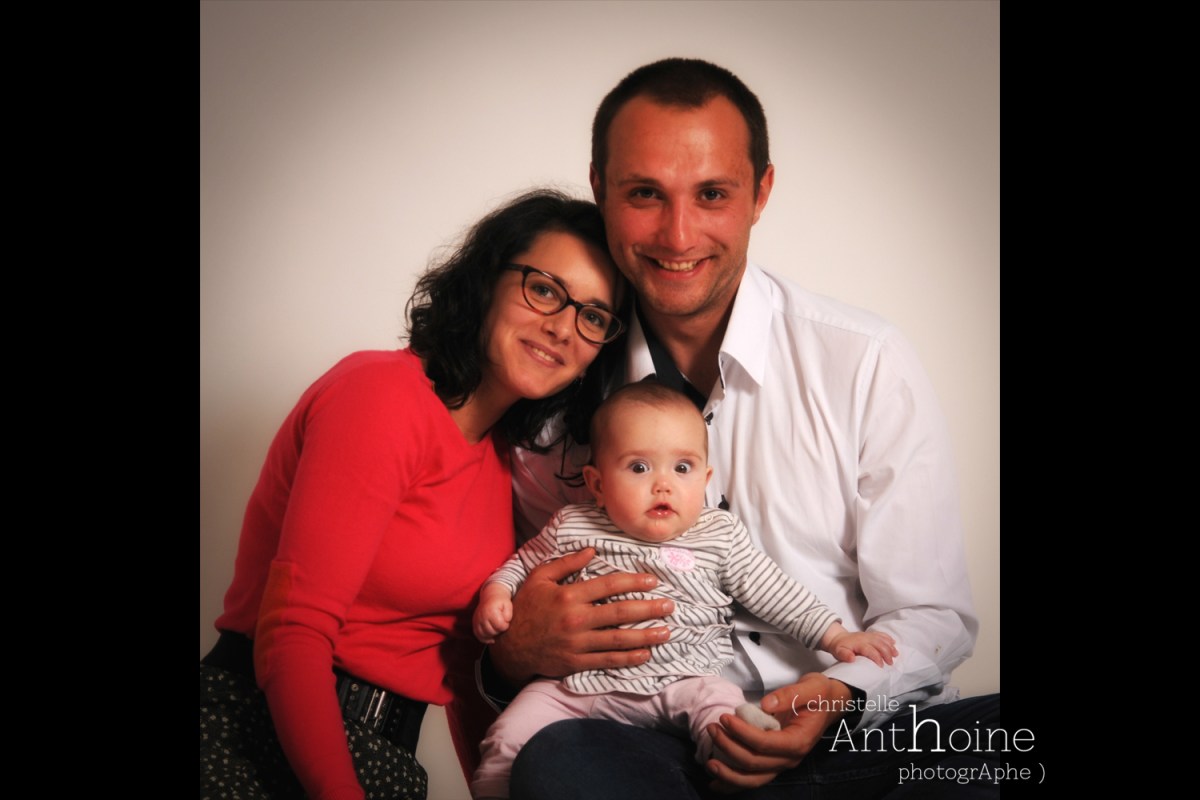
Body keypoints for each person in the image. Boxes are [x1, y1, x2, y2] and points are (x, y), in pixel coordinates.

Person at [485, 59, 999, 798]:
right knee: (557, 761)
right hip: (656, 741)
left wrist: (836, 695)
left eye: (712, 194)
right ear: (599, 189)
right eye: (644, 194)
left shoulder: (865, 360)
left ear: (760, 193)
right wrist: (510, 653)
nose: (678, 234)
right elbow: (535, 602)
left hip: (856, 737)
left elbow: (929, 615)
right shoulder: (556, 394)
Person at [199, 189, 628, 800]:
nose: (562, 327)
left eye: (593, 316)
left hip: (385, 763)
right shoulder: (382, 395)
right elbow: (294, 631)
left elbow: (459, 670)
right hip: (259, 736)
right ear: (486, 281)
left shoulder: (500, 461)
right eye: (543, 289)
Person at [469, 381, 898, 799]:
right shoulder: (573, 525)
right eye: (639, 468)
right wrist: (497, 594)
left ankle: (733, 758)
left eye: (682, 468)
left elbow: (777, 593)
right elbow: (522, 565)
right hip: (579, 686)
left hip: (686, 679)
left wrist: (834, 636)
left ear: (705, 478)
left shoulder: (718, 534)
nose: (663, 484)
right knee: (508, 736)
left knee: (721, 710)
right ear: (597, 484)